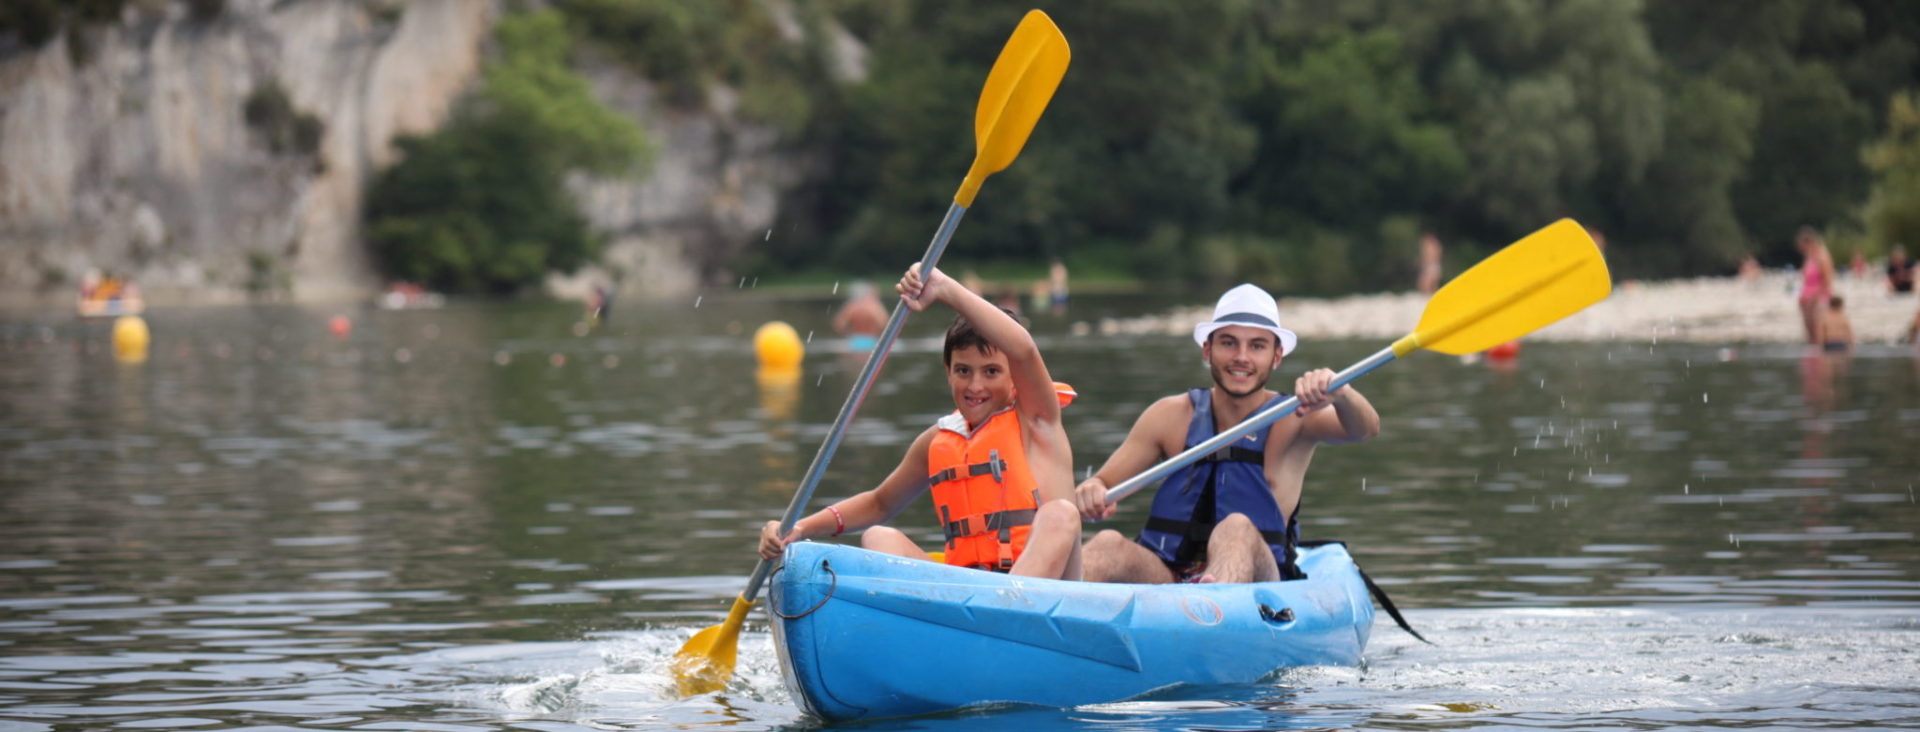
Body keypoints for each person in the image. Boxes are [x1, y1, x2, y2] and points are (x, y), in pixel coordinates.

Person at [759, 264, 1084, 580]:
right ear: (948, 373)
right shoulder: (938, 439)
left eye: (991, 372)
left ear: (1015, 379)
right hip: (971, 591)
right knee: (878, 536)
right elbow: (879, 503)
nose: (975, 386)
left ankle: (1005, 608)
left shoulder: (1037, 419)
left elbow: (1024, 349)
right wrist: (798, 528)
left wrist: (944, 289)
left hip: (1047, 592)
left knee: (1061, 514)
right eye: (963, 371)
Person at [1072, 284, 1380, 584]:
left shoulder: (1296, 416)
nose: (1241, 357)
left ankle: (1212, 606)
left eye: (1257, 346)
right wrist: (1092, 490)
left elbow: (1364, 429)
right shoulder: (1168, 415)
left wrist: (1342, 394)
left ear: (1276, 356)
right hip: (1168, 575)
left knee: (1236, 528)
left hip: (1260, 581)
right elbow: (1103, 482)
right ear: (1208, 350)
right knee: (1108, 544)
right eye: (1229, 343)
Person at [1796, 227, 1836, 345]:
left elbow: (1827, 281)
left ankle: (1821, 354)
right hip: (1807, 299)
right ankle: (1812, 354)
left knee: (1819, 333)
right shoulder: (1809, 257)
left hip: (1820, 298)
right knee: (1810, 335)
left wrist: (1815, 297)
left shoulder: (1822, 256)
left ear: (1809, 243)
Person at [831, 281, 887, 351]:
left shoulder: (852, 306)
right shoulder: (875, 306)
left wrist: (849, 333)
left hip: (853, 342)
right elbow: (883, 324)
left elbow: (839, 325)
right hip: (872, 341)